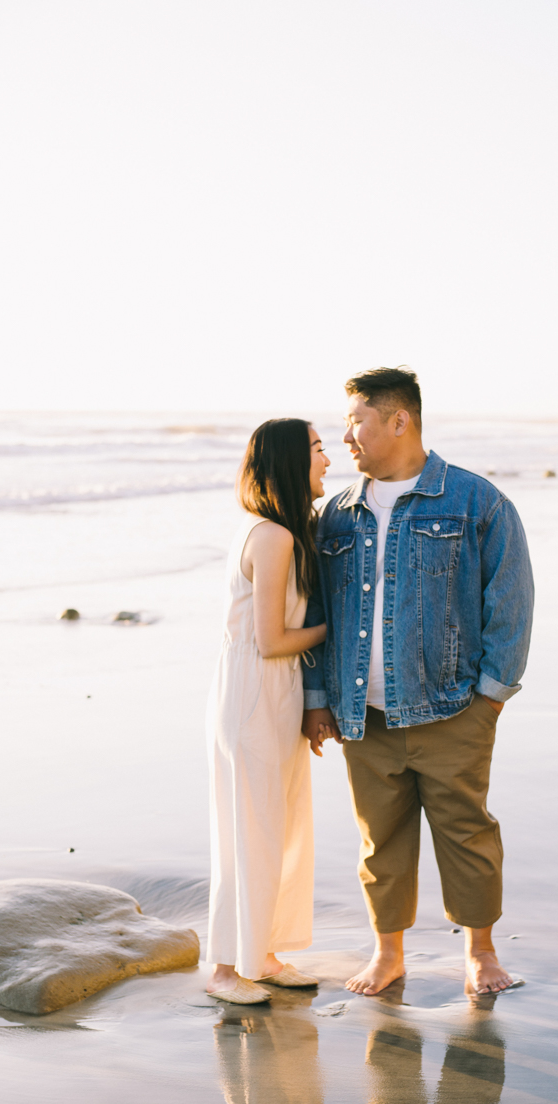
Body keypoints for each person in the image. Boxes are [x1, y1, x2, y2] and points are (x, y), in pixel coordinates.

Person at [302, 368, 534, 996]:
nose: (345, 436)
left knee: (467, 833)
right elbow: (316, 611)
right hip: (364, 716)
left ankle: (480, 953)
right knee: (381, 842)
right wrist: (319, 699)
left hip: (453, 708)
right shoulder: (337, 515)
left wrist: (490, 697)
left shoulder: (475, 502)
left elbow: (510, 604)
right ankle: (388, 954)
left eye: (356, 420)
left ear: (398, 419)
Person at [206, 418, 331, 1004]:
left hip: (268, 689)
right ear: (289, 461)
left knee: (274, 826)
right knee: (248, 829)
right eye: (317, 448)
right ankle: (227, 970)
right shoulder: (273, 537)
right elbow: (274, 639)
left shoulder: (279, 530)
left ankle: (263, 954)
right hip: (257, 688)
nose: (328, 458)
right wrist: (338, 630)